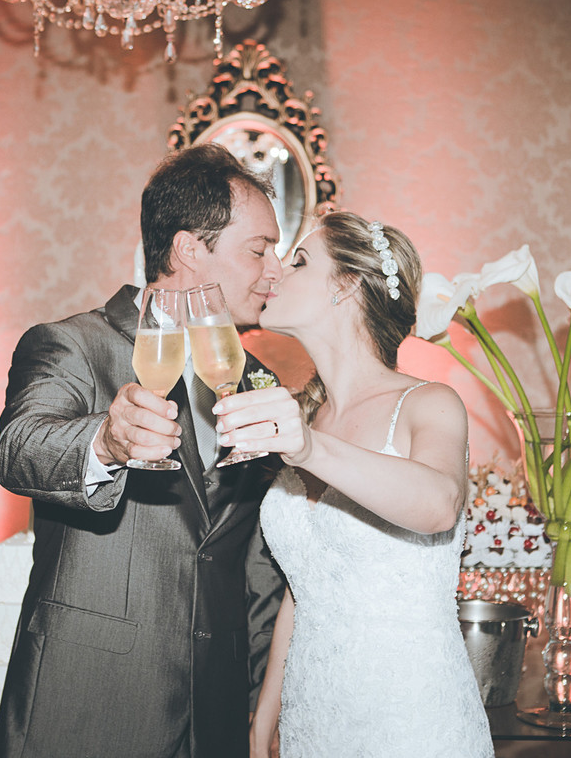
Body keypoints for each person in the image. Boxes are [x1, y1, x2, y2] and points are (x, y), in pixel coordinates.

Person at [0, 143, 287, 758]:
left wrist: (265, 705)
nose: (274, 271)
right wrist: (104, 440)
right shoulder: (72, 344)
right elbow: (18, 449)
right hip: (90, 703)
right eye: (259, 250)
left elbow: (259, 560)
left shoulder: (258, 379)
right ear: (189, 249)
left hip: (217, 715)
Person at [217, 212, 494, 757]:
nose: (275, 271)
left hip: (411, 721)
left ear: (346, 285)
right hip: (312, 721)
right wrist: (264, 718)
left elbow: (440, 504)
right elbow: (306, 586)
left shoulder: (428, 403)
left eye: (299, 261)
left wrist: (309, 449)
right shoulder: (306, 417)